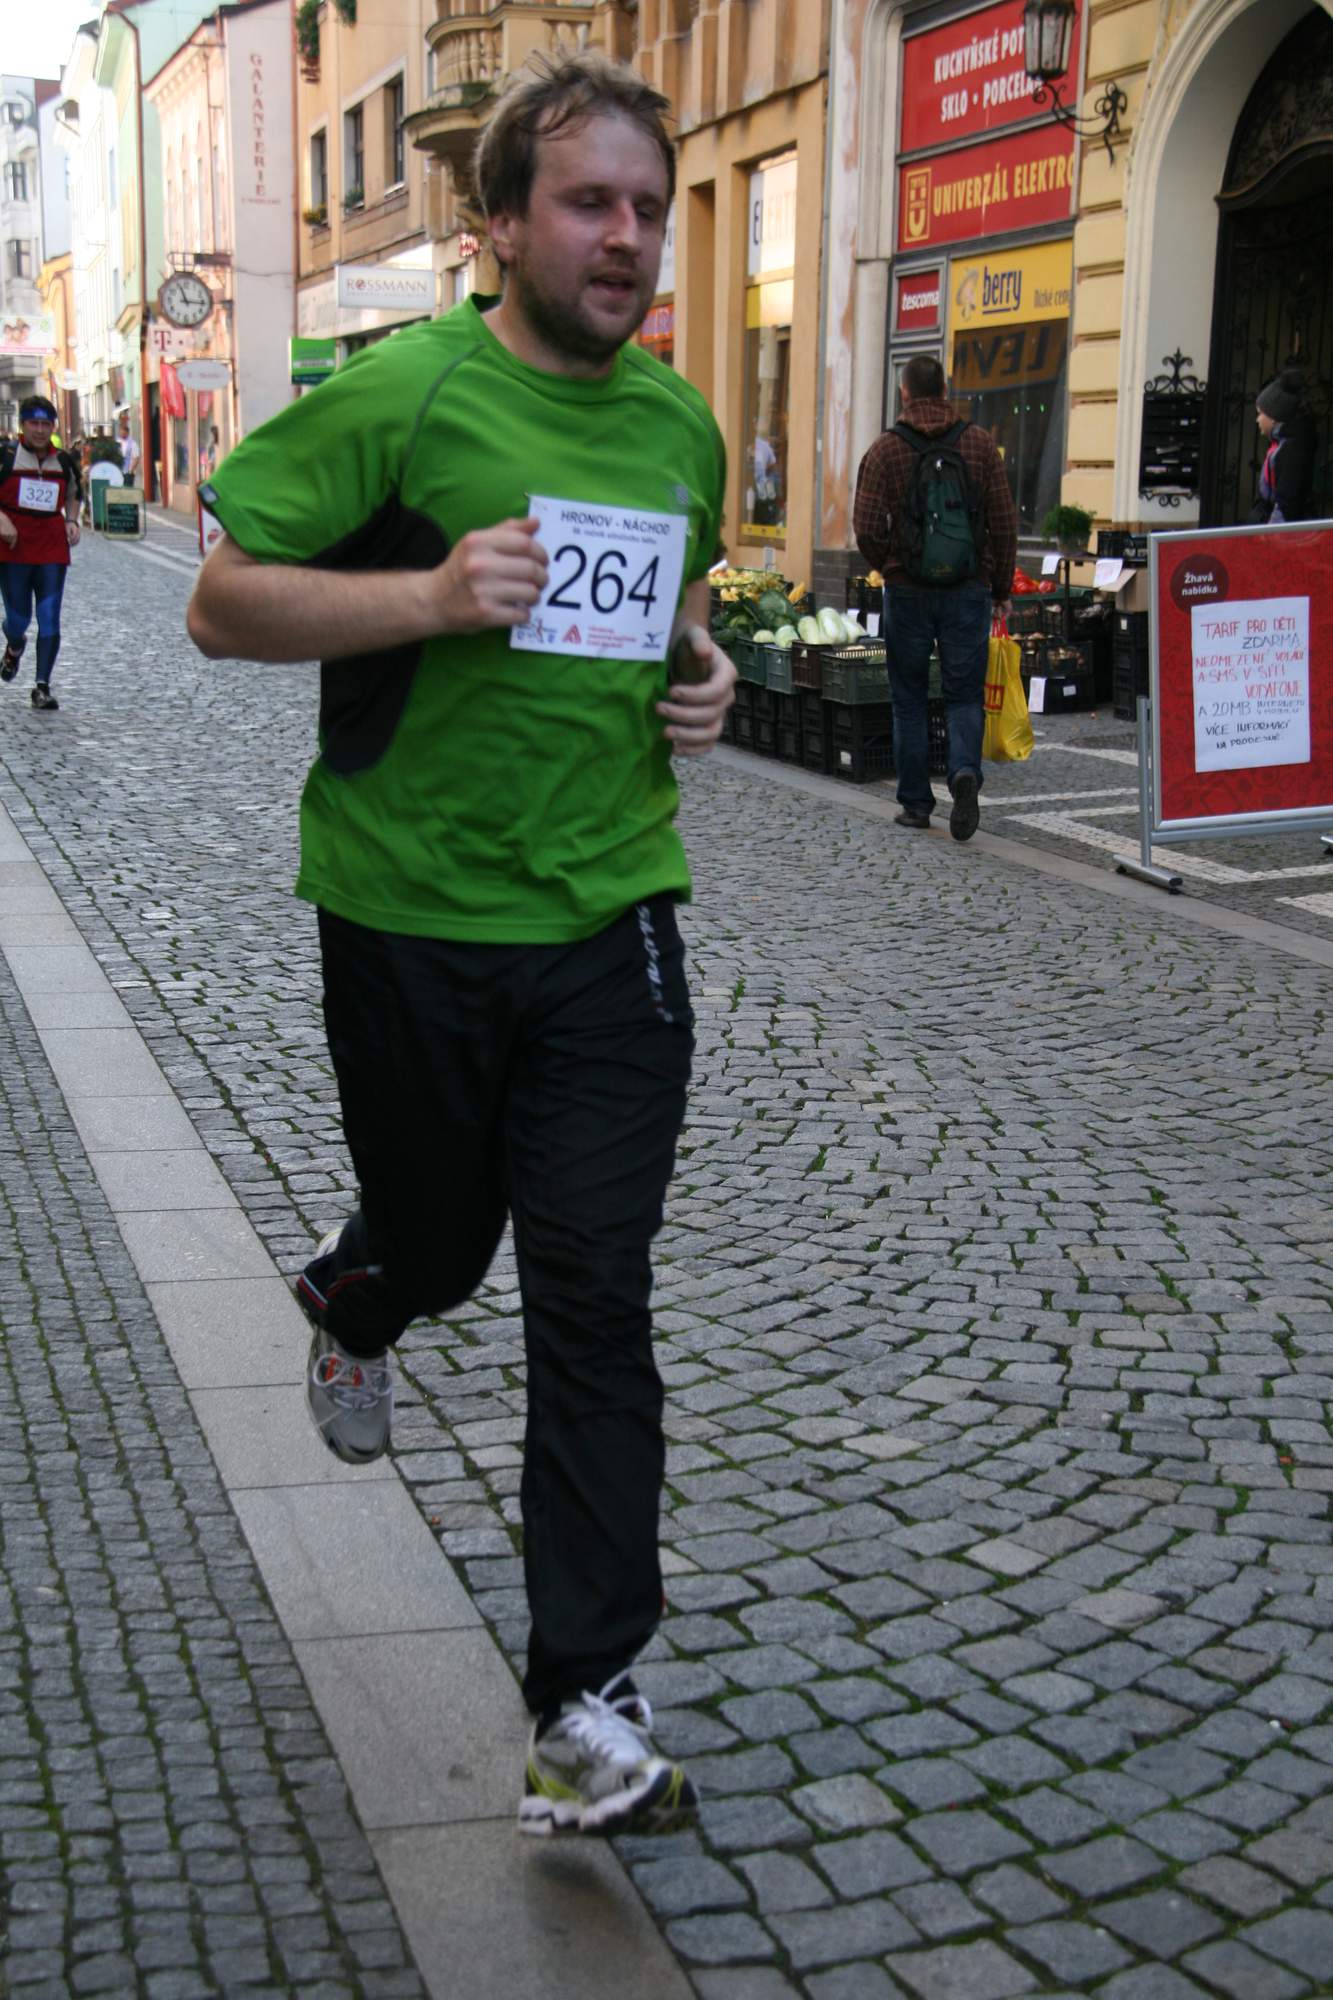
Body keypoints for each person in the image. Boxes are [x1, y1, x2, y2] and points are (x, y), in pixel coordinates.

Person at [186, 51, 733, 1841]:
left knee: (592, 1289)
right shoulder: (405, 396)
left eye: (646, 207)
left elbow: (676, 610)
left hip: (609, 915)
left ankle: (583, 1699)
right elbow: (220, 605)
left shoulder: (677, 425)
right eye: (587, 203)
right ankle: (362, 1295)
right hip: (407, 911)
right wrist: (427, 596)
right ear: (498, 223)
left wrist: (704, 676)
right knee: (439, 1239)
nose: (625, 236)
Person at [853, 353, 1018, 842]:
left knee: (908, 697)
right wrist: (1000, 587)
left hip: (907, 590)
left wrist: (891, 564)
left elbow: (865, 527)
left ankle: (915, 803)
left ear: (903, 393)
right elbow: (1004, 523)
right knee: (964, 694)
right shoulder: (980, 445)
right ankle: (963, 771)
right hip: (967, 588)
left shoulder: (885, 450)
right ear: (945, 390)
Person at [0, 394, 82, 711]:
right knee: (18, 620)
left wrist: (71, 520)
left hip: (51, 548)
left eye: (45, 424)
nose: (39, 430)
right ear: (23, 425)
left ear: (53, 427)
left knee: (49, 619)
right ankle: (14, 645)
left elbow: (74, 494)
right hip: (13, 548)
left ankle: (42, 686)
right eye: (33, 423)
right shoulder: (6, 456)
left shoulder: (63, 461)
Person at [1252, 368, 1317, 525]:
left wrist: (1269, 534)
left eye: (1260, 413)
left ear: (1274, 416)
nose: (1257, 419)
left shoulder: (1291, 450)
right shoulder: (1281, 443)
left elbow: (1286, 504)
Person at [117, 414, 142, 484]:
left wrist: (131, 470)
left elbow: (136, 457)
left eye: (124, 431)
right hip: (118, 471)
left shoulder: (132, 443)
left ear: (127, 432)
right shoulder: (117, 441)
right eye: (121, 431)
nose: (122, 433)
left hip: (128, 472)